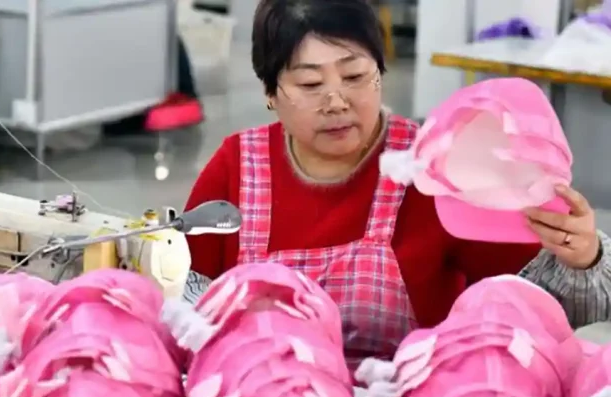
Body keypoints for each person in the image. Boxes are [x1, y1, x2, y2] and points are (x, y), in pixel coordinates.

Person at [182, 0, 611, 367]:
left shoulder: (437, 167)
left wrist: (583, 257)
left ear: (381, 72)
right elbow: (185, 305)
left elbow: (541, 307)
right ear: (270, 92)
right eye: (310, 84)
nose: (336, 102)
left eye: (354, 77)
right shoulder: (237, 167)